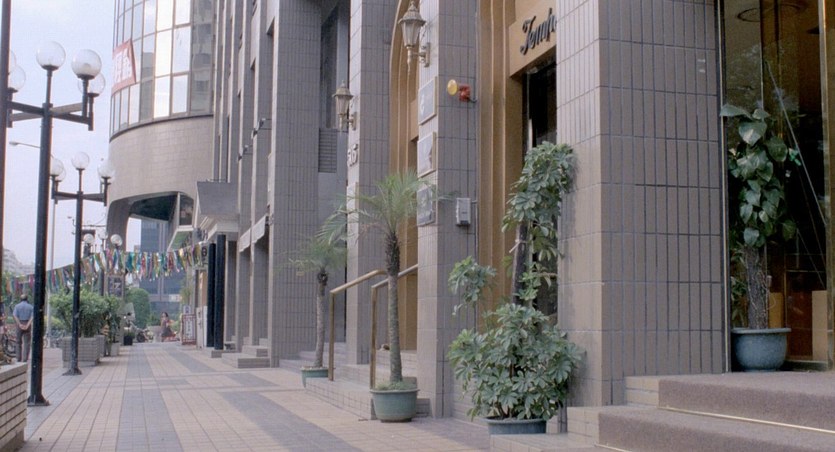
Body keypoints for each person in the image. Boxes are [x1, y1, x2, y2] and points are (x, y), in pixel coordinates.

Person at [13, 294, 33, 363]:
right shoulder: (31, 307)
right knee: (27, 342)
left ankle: (18, 358)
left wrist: (19, 324)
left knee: (18, 342)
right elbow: (32, 317)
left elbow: (15, 315)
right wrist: (27, 325)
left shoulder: (17, 306)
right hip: (27, 323)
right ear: (27, 299)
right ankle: (25, 359)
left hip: (19, 324)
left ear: (20, 299)